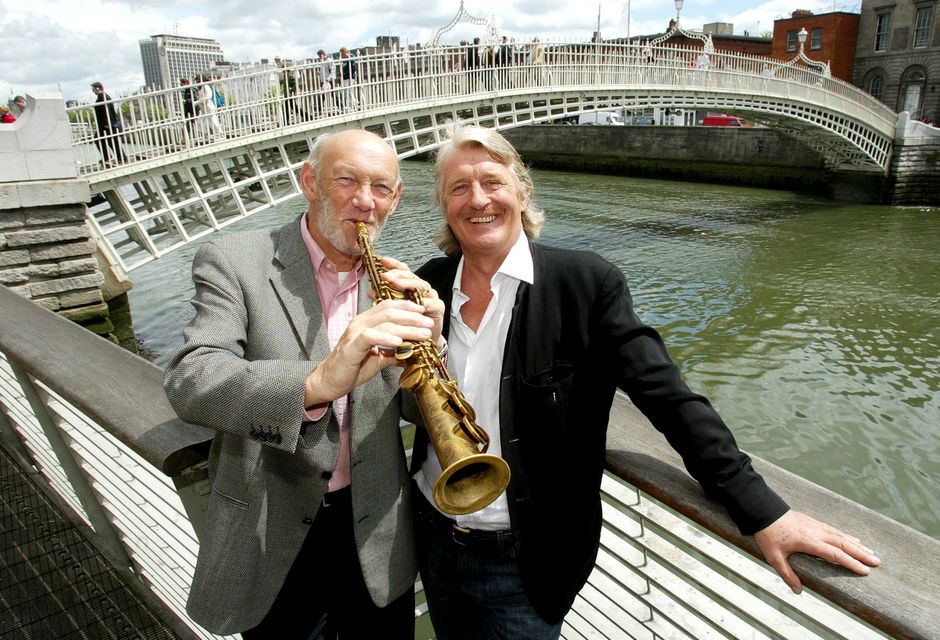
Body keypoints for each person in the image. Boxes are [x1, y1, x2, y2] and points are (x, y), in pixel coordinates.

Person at [410, 124, 881, 640]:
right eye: (458, 187)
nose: (477, 199)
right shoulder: (428, 282)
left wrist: (763, 511)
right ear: (443, 204)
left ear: (522, 192)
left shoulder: (586, 284)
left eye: (492, 182)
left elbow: (669, 398)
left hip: (526, 562)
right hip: (434, 539)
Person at [164, 129, 445, 638]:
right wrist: (316, 383)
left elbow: (409, 412)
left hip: (376, 532)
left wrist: (432, 347)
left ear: (396, 198)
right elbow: (192, 378)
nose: (364, 202)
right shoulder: (235, 259)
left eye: (381, 188)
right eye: (347, 181)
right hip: (273, 531)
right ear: (309, 182)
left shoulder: (399, 284)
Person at [90, 81, 127, 166]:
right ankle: (114, 157)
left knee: (109, 140)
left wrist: (107, 123)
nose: (93, 91)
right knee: (109, 141)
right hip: (105, 125)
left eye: (93, 89)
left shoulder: (103, 98)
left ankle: (114, 157)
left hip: (106, 125)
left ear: (98, 88)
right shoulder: (102, 97)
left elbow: (108, 112)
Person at [194, 75, 223, 142]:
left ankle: (220, 134)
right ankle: (206, 134)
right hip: (203, 108)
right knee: (199, 123)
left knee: (213, 122)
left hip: (209, 107)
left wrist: (197, 102)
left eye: (197, 80)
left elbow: (208, 96)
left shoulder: (206, 86)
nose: (196, 82)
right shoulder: (200, 88)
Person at [338, 47, 359, 112]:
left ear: (344, 52)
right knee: (345, 91)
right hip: (345, 78)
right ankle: (354, 103)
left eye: (342, 54)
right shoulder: (344, 60)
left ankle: (354, 104)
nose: (341, 55)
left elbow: (353, 68)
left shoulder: (350, 58)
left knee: (349, 92)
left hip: (349, 78)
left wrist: (348, 74)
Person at [315, 49, 335, 116]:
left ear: (322, 54)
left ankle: (341, 106)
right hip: (324, 81)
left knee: (333, 94)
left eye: (319, 56)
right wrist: (319, 73)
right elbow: (325, 71)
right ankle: (319, 109)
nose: (319, 57)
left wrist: (329, 78)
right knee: (323, 95)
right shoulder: (323, 61)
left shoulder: (328, 60)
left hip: (328, 81)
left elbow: (332, 70)